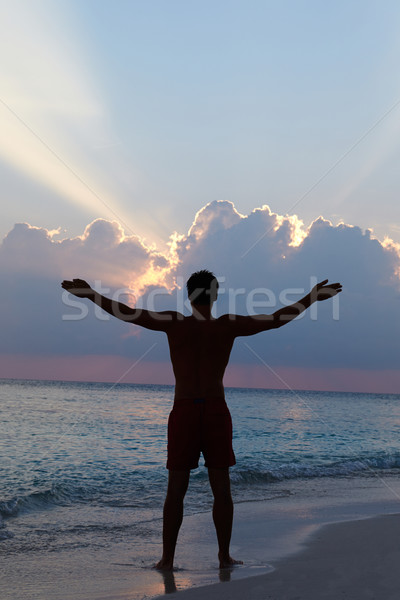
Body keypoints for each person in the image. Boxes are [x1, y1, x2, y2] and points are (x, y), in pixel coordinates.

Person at [61, 271, 342, 570]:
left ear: (189, 295)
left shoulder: (175, 323)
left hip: (184, 410)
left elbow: (129, 314)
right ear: (215, 294)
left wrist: (91, 295)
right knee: (221, 489)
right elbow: (275, 319)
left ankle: (167, 560)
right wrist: (311, 298)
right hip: (215, 410)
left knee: (176, 490)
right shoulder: (226, 326)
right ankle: (223, 556)